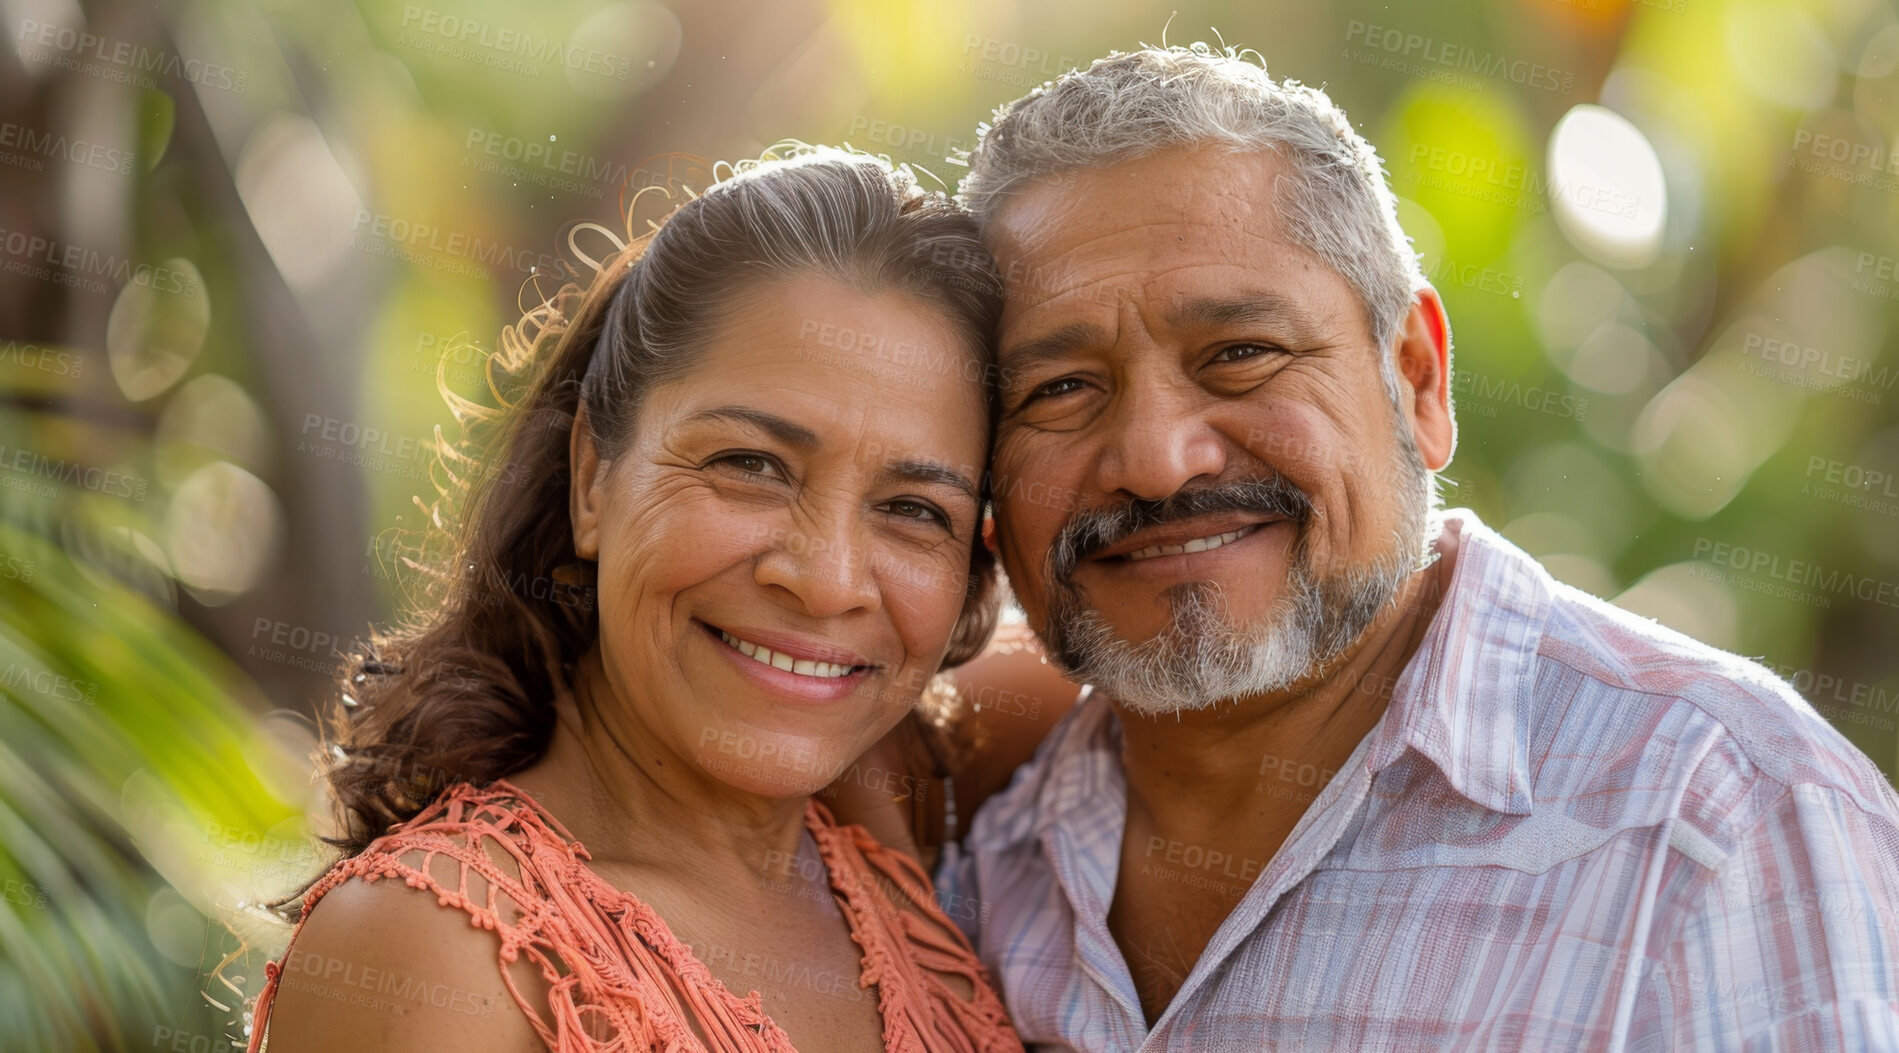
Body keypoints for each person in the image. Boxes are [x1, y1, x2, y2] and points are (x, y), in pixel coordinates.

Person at [928, 45, 1899, 1050]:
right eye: (1060, 390)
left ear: (1418, 382)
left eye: (1240, 355)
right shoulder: (980, 864)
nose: (1158, 461)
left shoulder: (1718, 819)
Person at [244, 147, 1024, 1053]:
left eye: (912, 509)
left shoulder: (901, 883)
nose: (825, 579)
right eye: (750, 465)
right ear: (591, 477)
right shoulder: (442, 947)